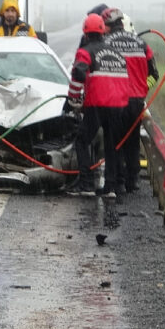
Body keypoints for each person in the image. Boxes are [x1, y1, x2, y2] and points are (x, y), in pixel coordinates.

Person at [66, 13, 129, 198]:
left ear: (85, 32)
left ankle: (86, 183)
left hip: (97, 104)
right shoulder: (117, 54)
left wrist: (73, 99)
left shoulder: (85, 51)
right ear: (102, 30)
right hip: (119, 105)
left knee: (82, 140)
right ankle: (111, 186)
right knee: (112, 145)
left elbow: (78, 74)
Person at [102, 7, 158, 193]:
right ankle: (132, 180)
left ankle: (117, 181)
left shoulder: (105, 43)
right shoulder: (141, 44)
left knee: (114, 141)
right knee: (132, 140)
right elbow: (154, 74)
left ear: (108, 25)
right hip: (136, 102)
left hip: (116, 100)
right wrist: (143, 88)